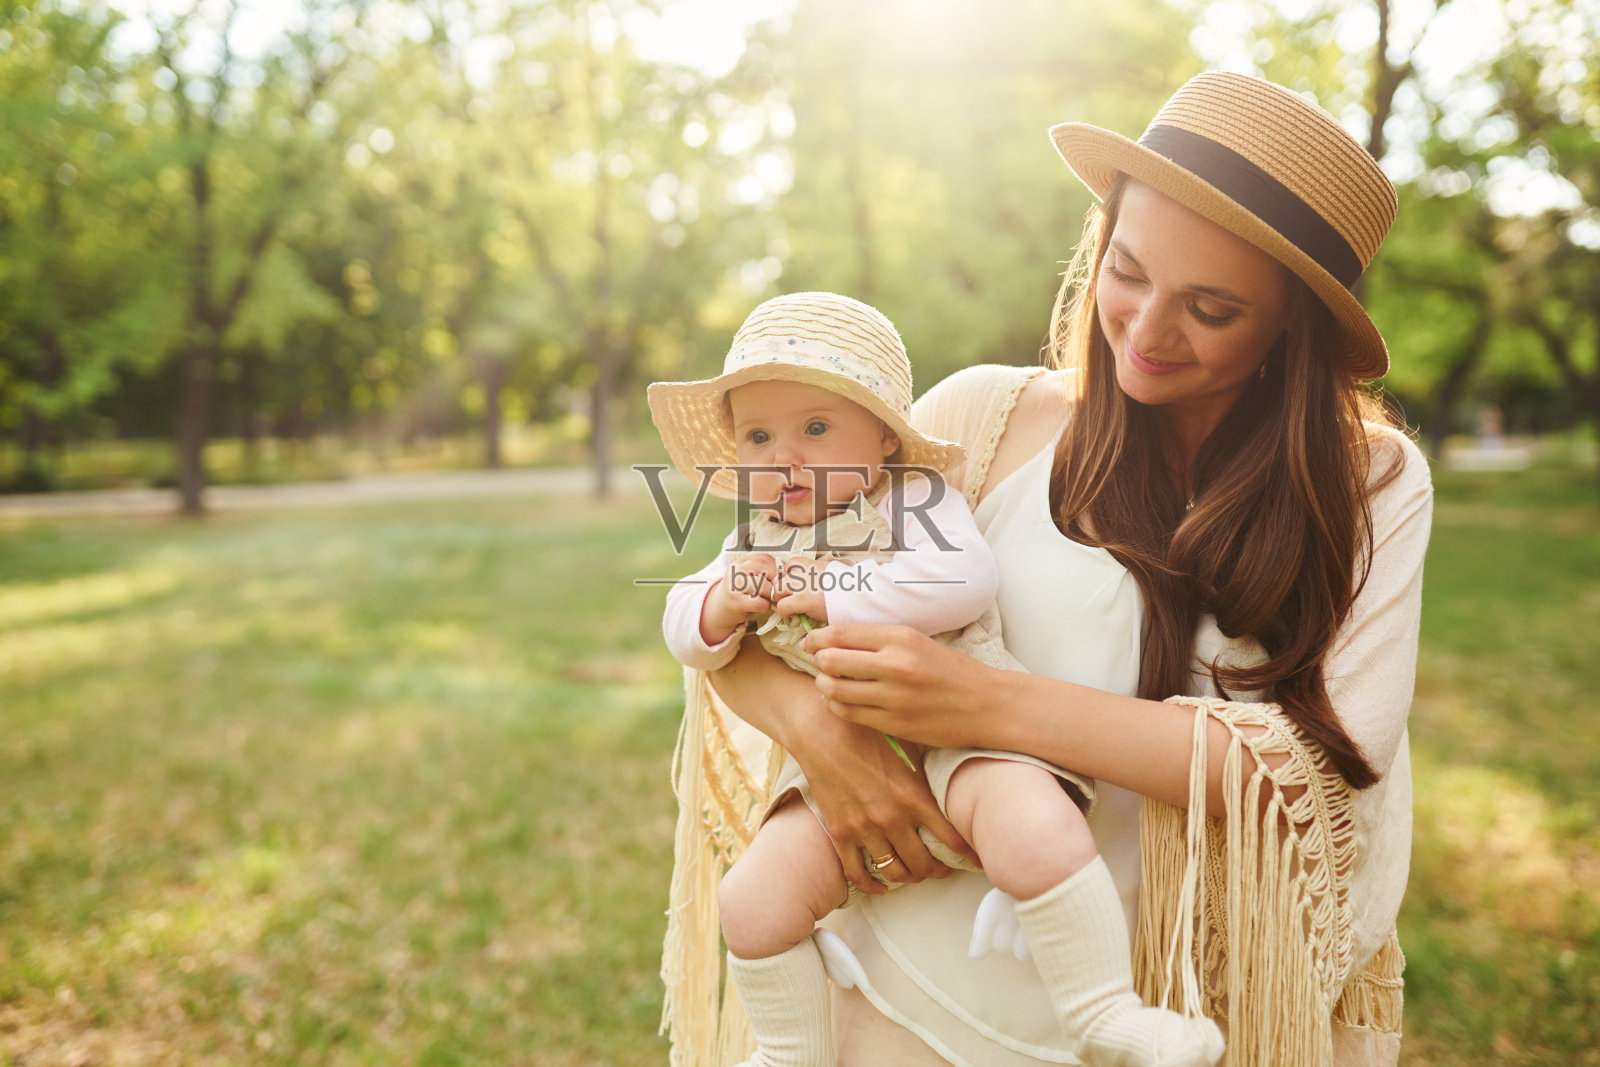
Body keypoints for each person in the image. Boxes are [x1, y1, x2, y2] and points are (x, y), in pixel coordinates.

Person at [663, 70, 1432, 1067]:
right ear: (1099, 238)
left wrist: (979, 705)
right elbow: (748, 625)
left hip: (1155, 1009)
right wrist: (821, 734)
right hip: (895, 989)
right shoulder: (978, 418)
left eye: (1210, 307)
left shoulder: (1364, 479)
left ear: (1290, 322)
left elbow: (1309, 767)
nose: (1146, 331)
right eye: (1128, 270)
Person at [650, 291, 1224, 1067]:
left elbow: (963, 581)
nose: (786, 458)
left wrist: (833, 594)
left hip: (965, 734)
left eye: (816, 429)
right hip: (843, 755)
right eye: (758, 436)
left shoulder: (913, 500)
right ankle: (791, 1051)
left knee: (1039, 829)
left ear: (883, 436)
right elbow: (684, 624)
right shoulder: (756, 538)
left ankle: (1104, 1015)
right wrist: (720, 601)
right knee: (750, 901)